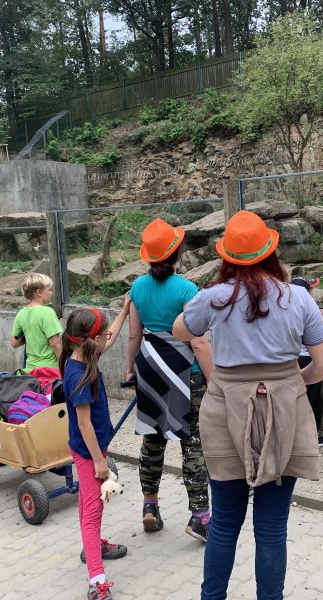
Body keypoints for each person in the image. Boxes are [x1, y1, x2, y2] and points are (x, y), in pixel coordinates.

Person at [173, 210, 323, 600]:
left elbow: (181, 330)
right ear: (270, 251)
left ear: (227, 256)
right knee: (272, 528)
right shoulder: (298, 297)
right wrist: (291, 383)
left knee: (225, 523)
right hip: (284, 412)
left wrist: (206, 309)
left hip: (225, 410)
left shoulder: (212, 297)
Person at [126, 218, 214, 542]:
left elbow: (134, 335)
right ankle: (200, 517)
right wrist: (214, 380)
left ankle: (150, 506)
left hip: (149, 366)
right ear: (177, 254)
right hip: (184, 370)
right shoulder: (187, 289)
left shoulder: (137, 287)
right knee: (193, 440)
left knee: (152, 437)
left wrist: (130, 371)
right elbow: (198, 341)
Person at [61, 302, 131, 600]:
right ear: (93, 339)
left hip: (92, 448)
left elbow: (109, 339)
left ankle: (91, 547)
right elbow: (84, 423)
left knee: (87, 504)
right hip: (89, 452)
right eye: (104, 333)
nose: (108, 337)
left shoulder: (84, 357)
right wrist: (100, 461)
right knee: (93, 510)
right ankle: (96, 580)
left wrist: (125, 310)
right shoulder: (79, 375)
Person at [290, 276, 323, 447]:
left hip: (292, 358)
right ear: (309, 291)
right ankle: (312, 436)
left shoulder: (286, 308)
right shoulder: (310, 308)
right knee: (313, 398)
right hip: (309, 359)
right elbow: (314, 338)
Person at [10, 273, 63, 371]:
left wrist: (30, 333)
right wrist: (65, 366)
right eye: (49, 290)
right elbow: (56, 344)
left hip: (30, 370)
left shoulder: (21, 313)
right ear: (39, 292)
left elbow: (14, 343)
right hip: (49, 371)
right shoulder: (47, 312)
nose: (51, 293)